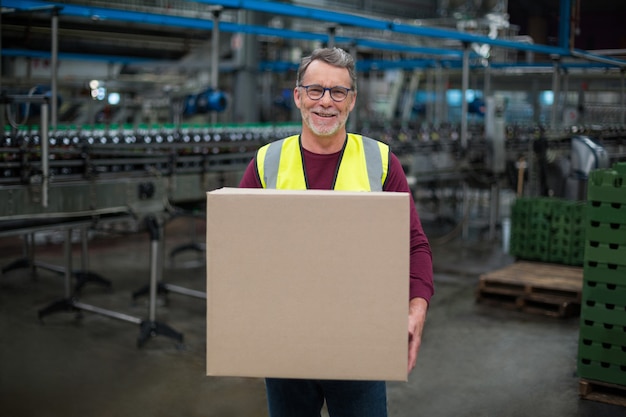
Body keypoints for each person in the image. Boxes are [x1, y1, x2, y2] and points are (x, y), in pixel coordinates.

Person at [238, 47, 434, 417]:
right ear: (298, 96)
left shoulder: (380, 162)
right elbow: (238, 250)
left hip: (358, 342)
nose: (326, 102)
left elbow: (414, 244)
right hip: (286, 345)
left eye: (338, 92)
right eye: (315, 90)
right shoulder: (267, 162)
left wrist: (416, 307)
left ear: (352, 101)